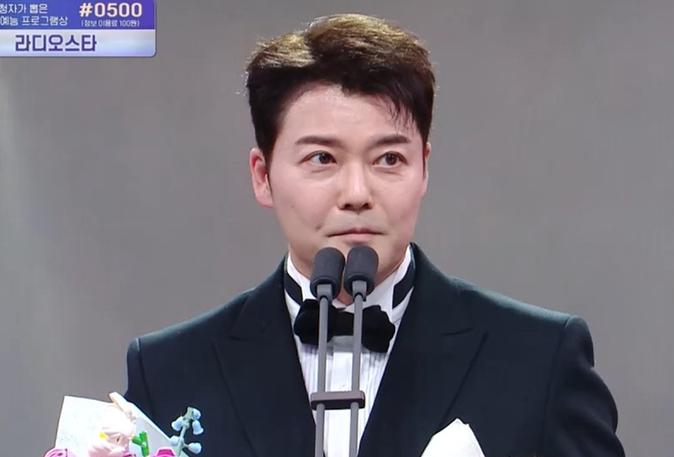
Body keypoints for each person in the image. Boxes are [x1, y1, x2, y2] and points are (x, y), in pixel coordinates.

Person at [123, 13, 626, 457]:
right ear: (263, 176)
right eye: (322, 158)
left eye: (389, 159)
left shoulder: (539, 359)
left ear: (423, 168)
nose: (357, 193)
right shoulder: (169, 371)